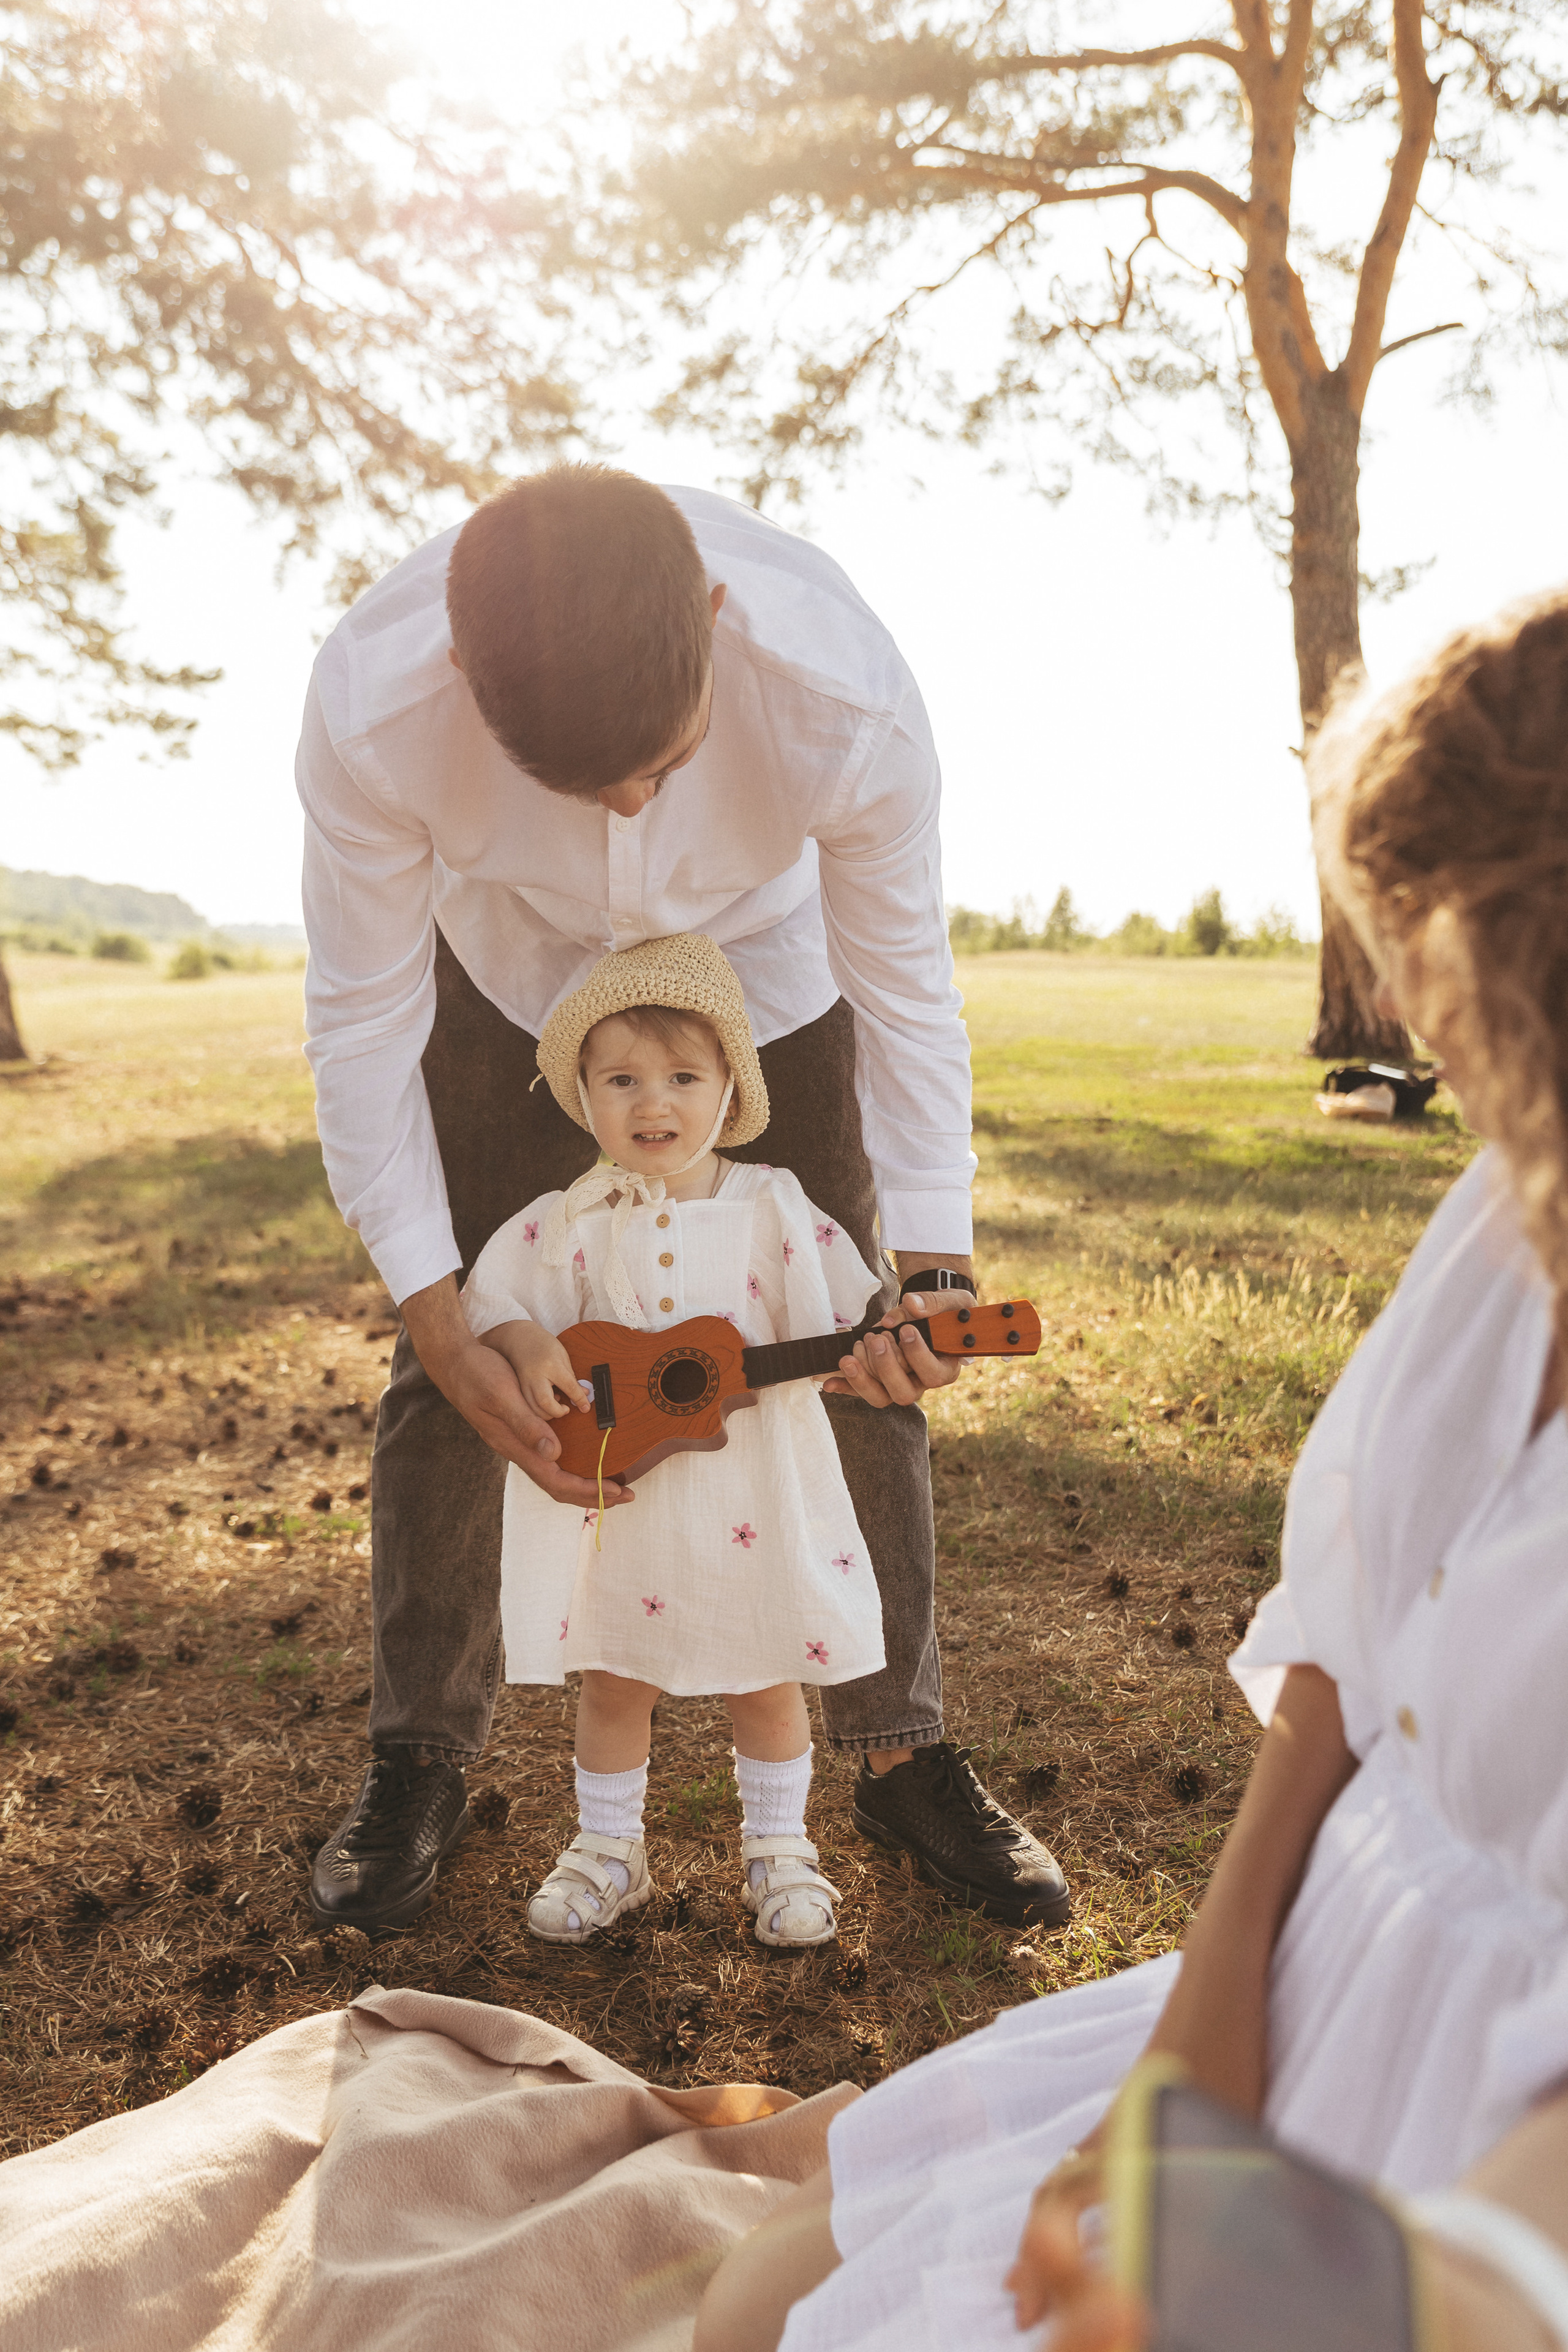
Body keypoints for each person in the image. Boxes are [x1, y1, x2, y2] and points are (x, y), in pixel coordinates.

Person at [684, 587, 1568, 2351]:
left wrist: (1425, 2287)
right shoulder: (1497, 1221)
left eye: (1424, 963)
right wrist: (1195, 2050)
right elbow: (1339, 1666)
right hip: (1318, 1956)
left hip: (1497, 2168)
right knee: (760, 2297)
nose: (1410, 1020)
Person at [298, 462, 1068, 1935]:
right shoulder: (371, 711)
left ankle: (897, 1747)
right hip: (507, 978)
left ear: (717, 617)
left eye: (662, 760)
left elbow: (910, 998)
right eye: (583, 782)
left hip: (769, 980)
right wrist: (441, 1315)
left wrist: (935, 1268)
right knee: (457, 1338)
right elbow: (359, 1023)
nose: (631, 808)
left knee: (850, 1326)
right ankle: (418, 1756)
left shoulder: (844, 701)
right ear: (460, 676)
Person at [459, 932, 892, 1950]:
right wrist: (522, 1342)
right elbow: (494, 1301)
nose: (653, 1103)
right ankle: (610, 1851)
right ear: (587, 1095)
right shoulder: (571, 1216)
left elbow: (846, 1314)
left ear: (729, 1090)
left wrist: (872, 1349)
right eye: (623, 1080)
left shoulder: (771, 1206)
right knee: (615, 1677)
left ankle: (781, 1851)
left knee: (767, 1672)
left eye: (683, 1078)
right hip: (626, 1506)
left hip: (754, 1495)